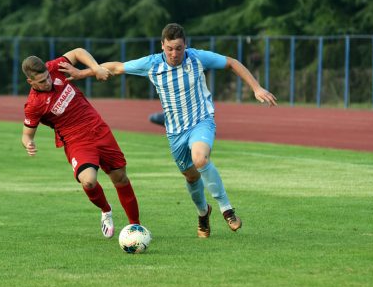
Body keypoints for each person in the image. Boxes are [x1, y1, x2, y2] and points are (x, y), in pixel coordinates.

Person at [61, 23, 277, 238]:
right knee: (191, 177)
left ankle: (227, 209)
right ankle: (203, 213)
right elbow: (116, 67)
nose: (175, 53)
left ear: (186, 46)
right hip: (175, 132)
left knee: (200, 159)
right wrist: (82, 73)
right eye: (170, 48)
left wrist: (256, 88)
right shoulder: (152, 64)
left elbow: (231, 62)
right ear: (162, 45)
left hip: (202, 120)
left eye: (179, 48)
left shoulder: (197, 58)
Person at [21, 52, 141, 238]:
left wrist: (96, 68)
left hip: (98, 128)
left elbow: (78, 52)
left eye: (47, 77)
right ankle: (106, 210)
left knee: (120, 178)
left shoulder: (55, 67)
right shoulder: (33, 105)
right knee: (89, 181)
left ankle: (136, 227)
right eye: (42, 81)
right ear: (31, 82)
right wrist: (29, 143)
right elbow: (26, 135)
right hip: (76, 141)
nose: (48, 82)